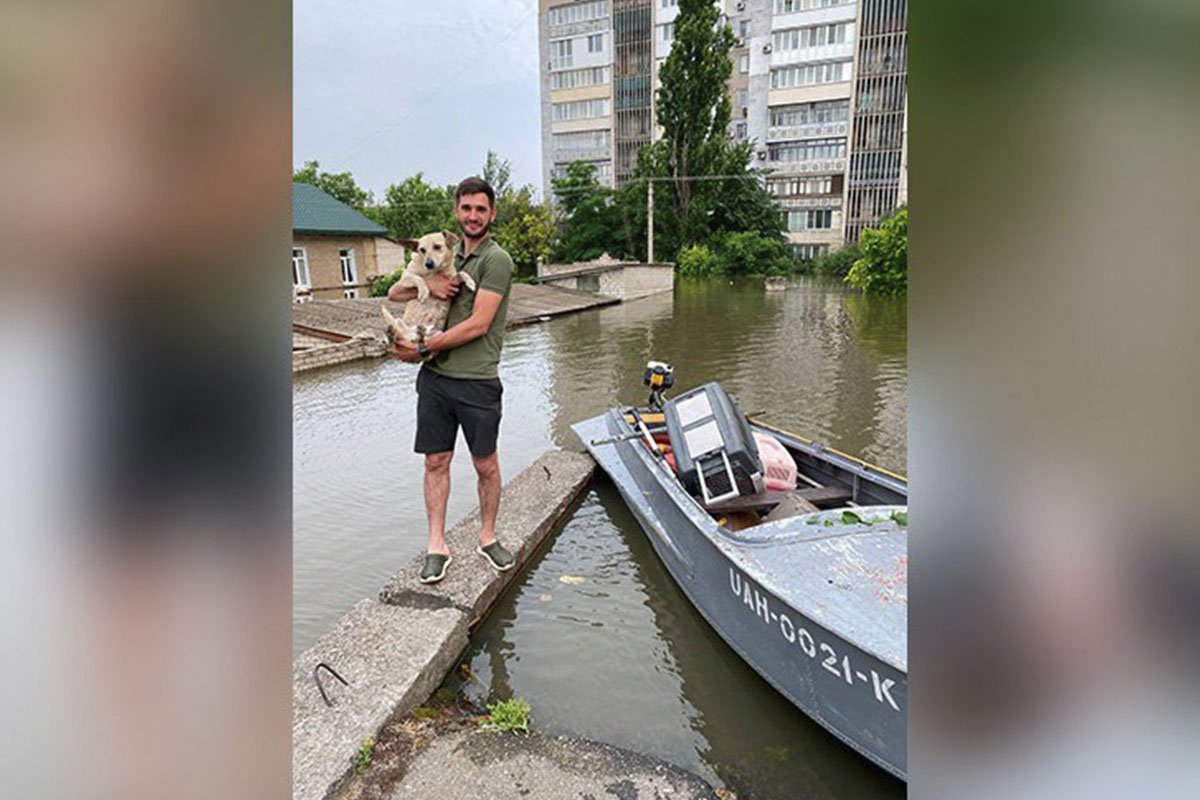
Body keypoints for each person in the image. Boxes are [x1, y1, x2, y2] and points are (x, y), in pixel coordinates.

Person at [388, 176, 515, 584]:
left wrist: (423, 349)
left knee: (486, 466)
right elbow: (394, 293)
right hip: (436, 380)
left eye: (481, 209)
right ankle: (437, 546)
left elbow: (479, 324)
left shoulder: (497, 260)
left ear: (491, 213)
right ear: (456, 213)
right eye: (466, 208)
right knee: (435, 461)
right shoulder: (444, 255)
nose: (473, 215)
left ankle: (488, 536)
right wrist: (428, 284)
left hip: (476, 380)